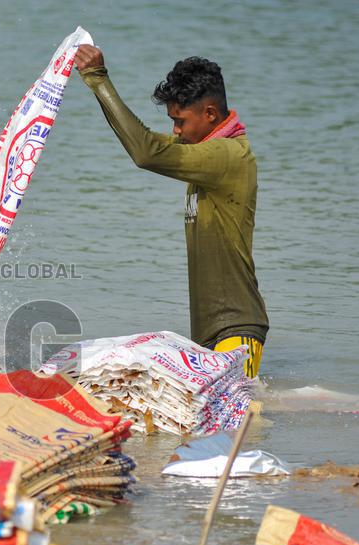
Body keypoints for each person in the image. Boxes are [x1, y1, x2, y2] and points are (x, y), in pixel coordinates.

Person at [74, 46, 269, 377]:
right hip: (208, 334)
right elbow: (145, 143)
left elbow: (146, 153)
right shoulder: (204, 149)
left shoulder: (227, 156)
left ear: (209, 113)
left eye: (179, 121)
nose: (176, 130)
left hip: (238, 330)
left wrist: (97, 79)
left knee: (243, 426)